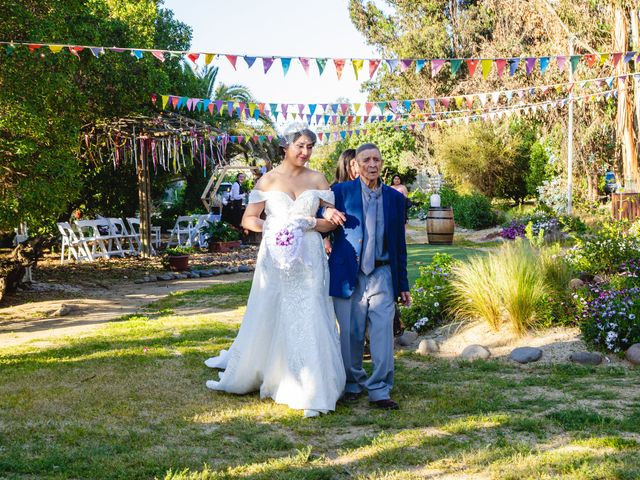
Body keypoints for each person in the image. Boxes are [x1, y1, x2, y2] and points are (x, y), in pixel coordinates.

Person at [204, 124, 346, 418]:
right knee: (272, 308)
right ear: (286, 147)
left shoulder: (318, 178)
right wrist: (273, 226)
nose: (305, 153)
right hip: (276, 255)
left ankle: (314, 386)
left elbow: (330, 221)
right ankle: (272, 372)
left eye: (310, 147)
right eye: (300, 146)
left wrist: (308, 223)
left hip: (309, 255)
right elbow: (249, 220)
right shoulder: (267, 181)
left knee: (310, 311)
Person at [327, 143, 411, 410]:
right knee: (350, 333)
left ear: (382, 163)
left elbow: (400, 244)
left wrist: (403, 283)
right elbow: (316, 214)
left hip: (382, 272)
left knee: (382, 331)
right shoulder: (339, 192)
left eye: (376, 159)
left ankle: (380, 389)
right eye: (366, 160)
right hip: (347, 272)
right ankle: (352, 383)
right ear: (356, 165)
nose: (372, 164)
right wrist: (325, 212)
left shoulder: (396, 199)